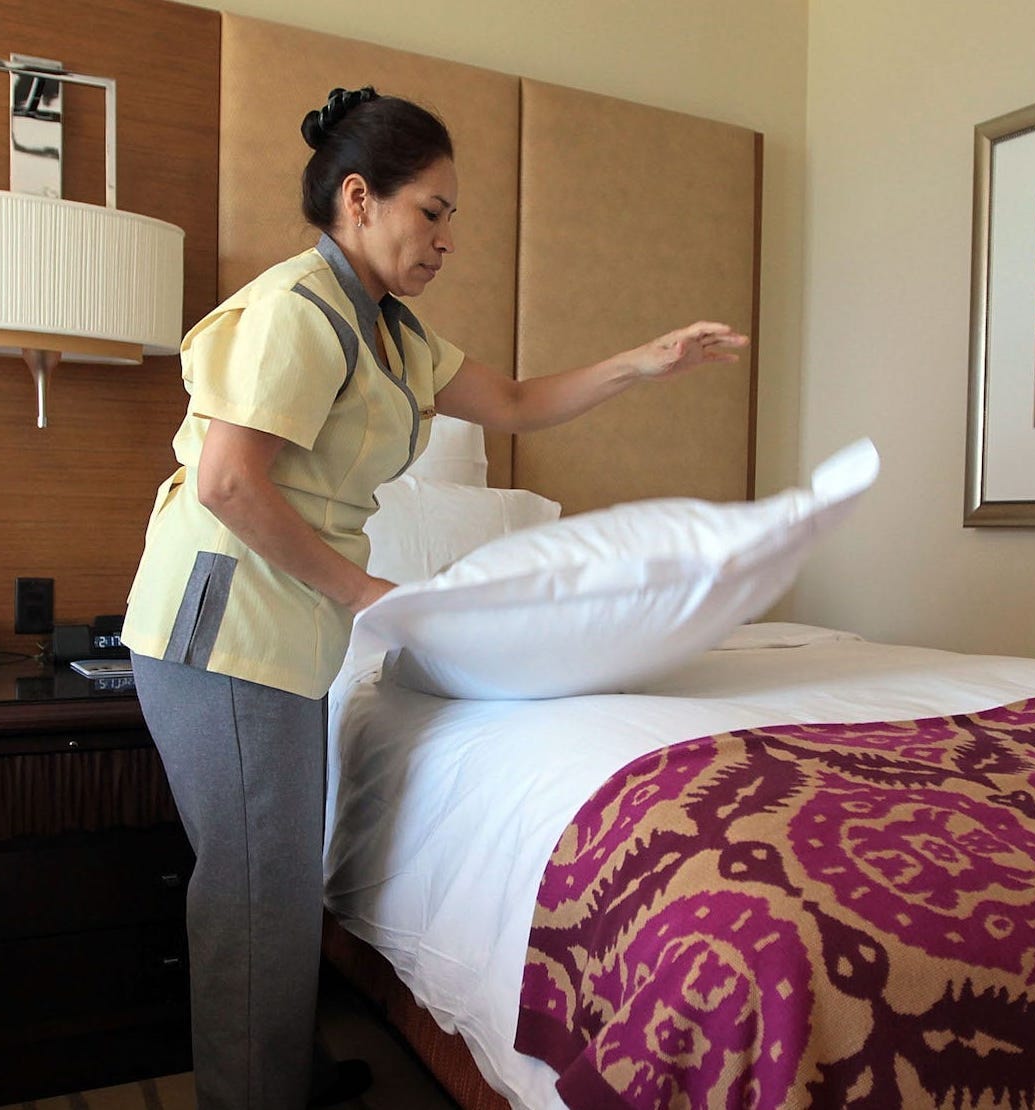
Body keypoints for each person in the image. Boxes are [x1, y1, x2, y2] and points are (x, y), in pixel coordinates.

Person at [121, 85, 748, 1109]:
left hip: (284, 628)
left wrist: (650, 360)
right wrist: (367, 588)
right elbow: (230, 483)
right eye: (433, 209)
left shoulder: (393, 335)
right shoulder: (296, 311)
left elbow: (511, 402)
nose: (447, 236)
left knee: (275, 883)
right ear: (358, 198)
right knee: (251, 891)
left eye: (453, 215)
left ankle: (284, 1074)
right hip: (224, 626)